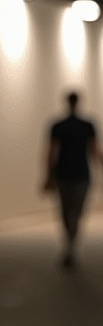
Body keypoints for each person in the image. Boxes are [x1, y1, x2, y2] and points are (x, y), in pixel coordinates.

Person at [43, 91, 102, 268]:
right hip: (81, 174)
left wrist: (48, 175)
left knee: (66, 211)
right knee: (75, 211)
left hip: (63, 173)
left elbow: (50, 153)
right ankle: (71, 246)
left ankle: (69, 247)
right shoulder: (87, 125)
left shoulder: (58, 125)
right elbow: (94, 151)